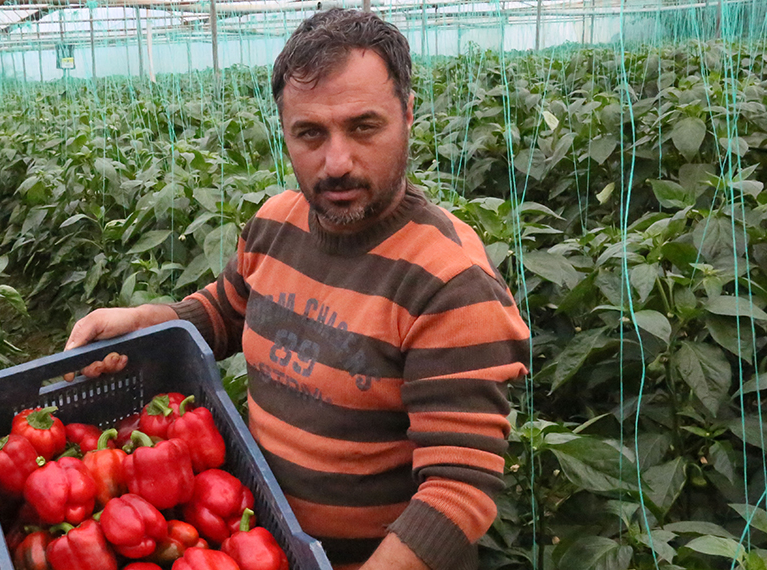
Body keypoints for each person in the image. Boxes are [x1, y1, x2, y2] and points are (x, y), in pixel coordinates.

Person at [64, 9, 530, 570]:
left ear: (408, 116)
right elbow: (225, 313)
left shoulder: (450, 283)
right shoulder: (275, 222)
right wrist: (147, 318)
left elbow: (457, 492)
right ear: (285, 131)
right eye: (310, 133)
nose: (336, 162)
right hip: (255, 537)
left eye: (364, 126)